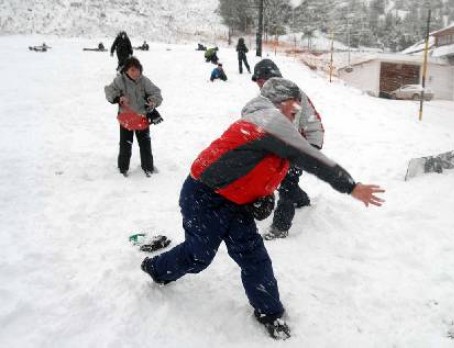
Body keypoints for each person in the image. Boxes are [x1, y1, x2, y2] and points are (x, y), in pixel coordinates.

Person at [140, 78, 385, 340]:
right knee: (199, 256)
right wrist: (350, 186)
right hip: (204, 196)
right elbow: (309, 156)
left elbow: (261, 174)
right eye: (293, 108)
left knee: (254, 257)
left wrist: (262, 199)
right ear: (279, 101)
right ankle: (155, 268)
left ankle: (270, 312)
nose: (296, 114)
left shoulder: (275, 129)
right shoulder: (267, 118)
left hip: (235, 204)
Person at [250, 59, 325, 240]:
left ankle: (280, 227)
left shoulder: (291, 94)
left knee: (287, 181)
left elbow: (294, 126)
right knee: (284, 179)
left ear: (271, 77)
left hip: (306, 142)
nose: (258, 85)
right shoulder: (270, 94)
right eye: (257, 82)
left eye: (260, 80)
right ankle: (302, 200)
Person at [104, 57, 163, 177]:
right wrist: (118, 98)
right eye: (132, 70)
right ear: (126, 70)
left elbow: (156, 93)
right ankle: (123, 169)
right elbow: (108, 91)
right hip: (126, 118)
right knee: (125, 145)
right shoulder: (119, 81)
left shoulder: (144, 81)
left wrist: (152, 101)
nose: (136, 73)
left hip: (142, 117)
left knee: (145, 144)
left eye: (138, 70)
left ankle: (148, 167)